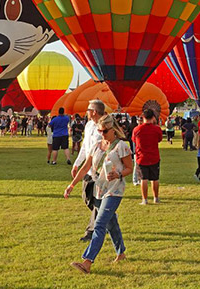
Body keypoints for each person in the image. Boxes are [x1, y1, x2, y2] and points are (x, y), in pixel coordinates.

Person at [65, 114, 133, 274]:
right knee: (111, 223)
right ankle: (121, 253)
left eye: (105, 131)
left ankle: (87, 262)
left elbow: (130, 167)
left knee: (100, 224)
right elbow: (86, 167)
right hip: (99, 189)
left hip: (114, 190)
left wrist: (119, 174)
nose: (102, 134)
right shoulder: (96, 145)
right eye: (100, 131)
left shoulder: (122, 146)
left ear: (113, 129)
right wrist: (72, 185)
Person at [72, 99, 106, 242]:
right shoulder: (88, 125)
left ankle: (91, 231)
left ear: (94, 112)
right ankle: (107, 216)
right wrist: (76, 164)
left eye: (88, 109)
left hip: (100, 170)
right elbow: (85, 146)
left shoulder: (105, 127)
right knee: (87, 197)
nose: (86, 112)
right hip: (88, 169)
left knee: (97, 201)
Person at [131, 109, 163, 205]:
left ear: (143, 117)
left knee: (143, 179)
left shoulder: (137, 129)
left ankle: (144, 199)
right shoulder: (157, 129)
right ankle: (156, 198)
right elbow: (159, 139)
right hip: (154, 156)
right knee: (155, 178)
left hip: (141, 157)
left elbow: (134, 140)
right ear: (153, 117)